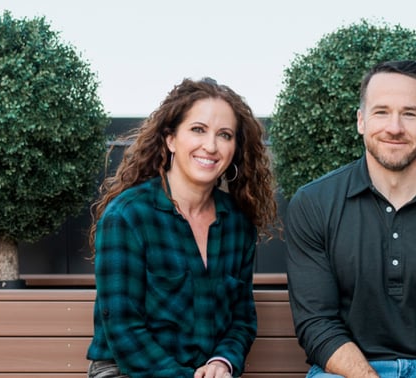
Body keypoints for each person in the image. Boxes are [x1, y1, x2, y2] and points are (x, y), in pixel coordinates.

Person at [284, 60, 416, 378]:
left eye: (409, 113)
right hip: (346, 373)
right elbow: (317, 322)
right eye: (381, 111)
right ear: (361, 120)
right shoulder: (314, 203)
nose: (395, 127)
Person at [85, 78, 277, 378]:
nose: (211, 146)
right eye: (198, 129)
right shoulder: (128, 216)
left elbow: (241, 319)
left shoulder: (237, 224)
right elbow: (124, 330)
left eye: (224, 135)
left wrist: (222, 362)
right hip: (128, 371)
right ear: (170, 139)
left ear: (235, 148)